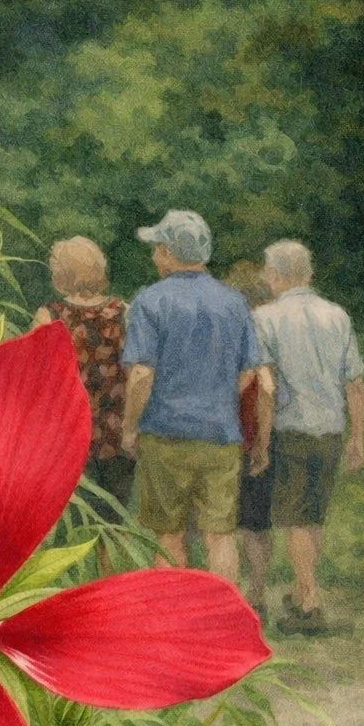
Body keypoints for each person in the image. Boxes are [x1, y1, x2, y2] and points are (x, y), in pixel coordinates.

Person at [120, 210, 262, 582]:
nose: (153, 256)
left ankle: (172, 621)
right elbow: (249, 371)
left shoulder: (150, 301)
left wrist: (129, 428)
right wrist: (215, 398)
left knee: (168, 535)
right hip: (220, 434)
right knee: (220, 535)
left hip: (165, 433)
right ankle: (225, 620)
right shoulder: (234, 302)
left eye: (156, 248)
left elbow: (140, 375)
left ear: (168, 252)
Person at [252, 240, 364, 635]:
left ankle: (309, 597)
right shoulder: (337, 315)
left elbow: (267, 386)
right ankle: (304, 594)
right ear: (310, 273)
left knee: (294, 517)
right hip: (331, 429)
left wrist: (262, 441)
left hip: (292, 428)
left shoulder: (265, 317)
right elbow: (354, 383)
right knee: (313, 514)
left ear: (276, 275)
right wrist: (358, 438)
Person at [32, 238, 132, 553]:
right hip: (115, 429)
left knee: (72, 517)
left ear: (61, 272)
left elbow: (36, 375)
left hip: (68, 429)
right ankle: (107, 578)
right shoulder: (123, 311)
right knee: (113, 519)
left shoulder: (49, 315)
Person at [225, 262, 277, 618]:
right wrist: (263, 443)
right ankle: (256, 590)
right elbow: (269, 389)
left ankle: (226, 594)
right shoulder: (265, 330)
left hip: (225, 436)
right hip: (255, 434)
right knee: (256, 521)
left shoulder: (229, 330)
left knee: (221, 523)